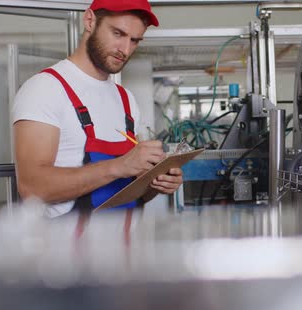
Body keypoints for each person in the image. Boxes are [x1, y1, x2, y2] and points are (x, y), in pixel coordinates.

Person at [12, 0, 183, 218]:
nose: (125, 49)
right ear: (90, 20)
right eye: (118, 34)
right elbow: (31, 188)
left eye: (135, 40)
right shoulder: (45, 89)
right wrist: (119, 166)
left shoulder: (125, 99)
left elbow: (134, 193)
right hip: (66, 250)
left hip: (125, 247)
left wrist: (156, 182)